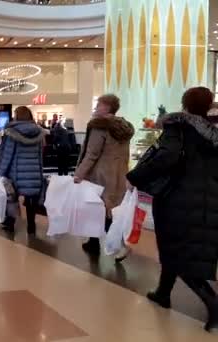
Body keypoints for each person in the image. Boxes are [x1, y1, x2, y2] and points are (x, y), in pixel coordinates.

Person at [126, 87, 218, 332]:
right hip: (209, 198)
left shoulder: (177, 126)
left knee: (177, 251)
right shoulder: (213, 133)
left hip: (177, 196)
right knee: (178, 246)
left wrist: (135, 176)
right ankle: (163, 293)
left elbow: (166, 157)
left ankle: (214, 304)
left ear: (184, 103)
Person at [74, 94, 135, 257]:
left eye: (99, 104)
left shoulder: (99, 126)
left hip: (99, 175)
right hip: (119, 173)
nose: (96, 107)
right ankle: (93, 242)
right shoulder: (124, 127)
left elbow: (92, 153)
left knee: (101, 210)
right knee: (109, 209)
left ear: (107, 107)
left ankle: (121, 244)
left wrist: (79, 174)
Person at [0, 106, 45, 234]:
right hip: (33, 173)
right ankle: (31, 226)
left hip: (15, 173)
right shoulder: (39, 132)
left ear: (17, 116)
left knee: (11, 198)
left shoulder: (11, 132)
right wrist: (39, 173)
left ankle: (10, 224)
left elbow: (7, 155)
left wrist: (0, 173)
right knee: (31, 200)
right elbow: (40, 155)